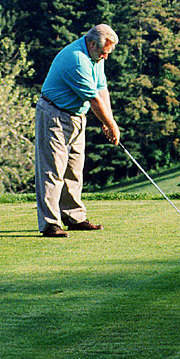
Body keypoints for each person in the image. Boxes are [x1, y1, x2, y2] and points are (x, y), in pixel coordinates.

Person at [35, 24, 121, 237]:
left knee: (74, 169)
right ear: (92, 44)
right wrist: (111, 126)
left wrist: (108, 121)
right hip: (54, 114)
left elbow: (102, 89)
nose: (105, 58)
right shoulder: (77, 59)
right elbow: (93, 99)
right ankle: (50, 224)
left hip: (76, 116)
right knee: (53, 170)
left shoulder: (96, 57)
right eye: (103, 53)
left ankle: (74, 217)